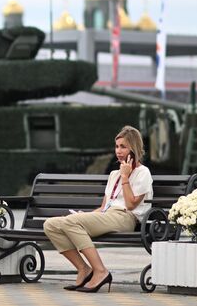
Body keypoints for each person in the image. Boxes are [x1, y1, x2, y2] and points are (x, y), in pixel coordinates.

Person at [43, 125, 153, 293]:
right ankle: (84, 269)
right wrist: (86, 215)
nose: (118, 151)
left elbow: (131, 204)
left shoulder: (142, 173)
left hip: (126, 217)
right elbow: (103, 207)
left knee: (71, 222)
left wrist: (125, 176)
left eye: (123, 146)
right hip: (108, 215)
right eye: (117, 146)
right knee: (51, 225)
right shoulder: (113, 175)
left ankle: (101, 271)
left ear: (134, 148)